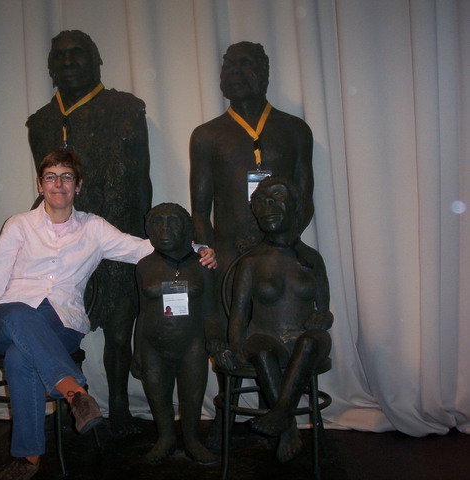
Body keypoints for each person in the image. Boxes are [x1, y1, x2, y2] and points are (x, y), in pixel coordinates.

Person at [0, 150, 216, 480]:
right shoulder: (18, 225)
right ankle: (75, 393)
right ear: (40, 185)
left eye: (66, 177)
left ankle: (28, 459)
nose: (58, 184)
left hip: (61, 322)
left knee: (18, 357)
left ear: (78, 186)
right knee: (17, 314)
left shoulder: (93, 228)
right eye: (51, 177)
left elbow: (141, 247)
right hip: (6, 317)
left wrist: (198, 249)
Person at [26, 30, 152, 436]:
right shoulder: (40, 122)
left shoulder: (126, 109)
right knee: (59, 317)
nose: (68, 62)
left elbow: (142, 178)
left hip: (116, 228)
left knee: (120, 325)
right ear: (50, 67)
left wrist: (147, 235)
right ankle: (73, 406)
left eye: (77, 54)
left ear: (96, 60)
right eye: (59, 56)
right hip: (62, 237)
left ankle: (121, 407)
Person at [189, 41, 315, 445]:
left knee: (277, 332)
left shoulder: (294, 130)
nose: (234, 72)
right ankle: (228, 414)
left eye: (244, 65)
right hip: (228, 255)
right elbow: (200, 208)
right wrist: (208, 254)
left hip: (281, 257)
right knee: (227, 334)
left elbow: (305, 199)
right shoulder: (207, 135)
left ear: (265, 72)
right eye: (228, 65)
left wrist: (282, 246)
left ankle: (276, 413)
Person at [215, 176, 332, 463]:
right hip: (266, 337)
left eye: (276, 199)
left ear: (295, 206)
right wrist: (234, 345)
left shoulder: (311, 258)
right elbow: (239, 312)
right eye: (261, 202)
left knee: (308, 343)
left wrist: (322, 317)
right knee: (261, 349)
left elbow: (324, 309)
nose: (267, 208)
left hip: (306, 339)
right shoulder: (250, 262)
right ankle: (288, 426)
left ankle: (280, 415)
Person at [132, 203, 218, 464]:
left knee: (192, 396)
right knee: (158, 395)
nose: (165, 228)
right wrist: (137, 352)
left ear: (187, 229)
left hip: (192, 344)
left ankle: (192, 440)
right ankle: (165, 438)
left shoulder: (203, 264)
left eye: (173, 221)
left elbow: (210, 311)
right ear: (149, 229)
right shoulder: (144, 266)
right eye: (158, 222)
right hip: (152, 345)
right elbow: (142, 311)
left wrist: (215, 341)